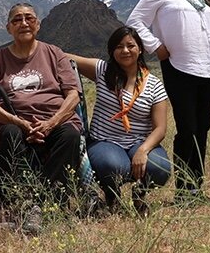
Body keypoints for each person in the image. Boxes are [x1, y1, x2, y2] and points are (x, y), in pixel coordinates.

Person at [0, 3, 82, 235]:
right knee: (9, 134)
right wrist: (18, 122)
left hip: (53, 121)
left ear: (38, 24)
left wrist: (51, 123)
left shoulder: (55, 53)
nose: (23, 23)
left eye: (29, 18)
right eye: (17, 20)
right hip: (13, 123)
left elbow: (73, 95)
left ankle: (39, 203)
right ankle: (9, 205)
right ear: (8, 28)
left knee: (71, 134)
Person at [128, 0, 210, 204]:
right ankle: (184, 190)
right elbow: (135, 21)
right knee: (187, 129)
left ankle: (196, 188)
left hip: (208, 69)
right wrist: (156, 46)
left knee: (202, 129)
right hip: (180, 67)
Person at [67, 26, 170, 215]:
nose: (125, 51)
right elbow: (66, 57)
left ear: (140, 49)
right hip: (104, 141)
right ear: (111, 51)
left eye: (131, 45)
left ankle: (139, 194)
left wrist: (143, 150)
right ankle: (111, 193)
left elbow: (160, 128)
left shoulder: (154, 85)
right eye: (119, 46)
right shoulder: (102, 71)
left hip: (139, 142)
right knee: (114, 167)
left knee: (161, 168)